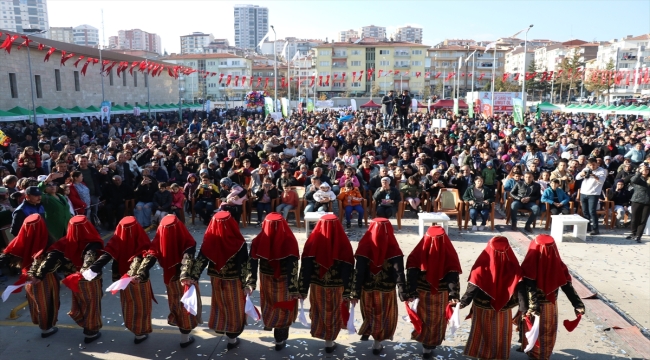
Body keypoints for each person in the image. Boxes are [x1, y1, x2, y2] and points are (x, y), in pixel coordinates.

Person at [180, 211, 249, 350]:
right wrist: (247, 283)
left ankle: (221, 327)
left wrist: (193, 277)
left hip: (216, 279)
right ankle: (232, 338)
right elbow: (244, 265)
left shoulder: (209, 241)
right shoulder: (239, 243)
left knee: (220, 304)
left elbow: (201, 261)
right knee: (234, 307)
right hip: (234, 280)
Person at [35, 216, 104, 343]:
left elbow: (50, 259)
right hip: (90, 279)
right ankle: (91, 331)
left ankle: (82, 319)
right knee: (92, 304)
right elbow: (90, 256)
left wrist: (39, 275)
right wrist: (85, 269)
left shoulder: (62, 243)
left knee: (80, 300)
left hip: (72, 279)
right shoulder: (93, 242)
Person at [86, 217, 155, 344]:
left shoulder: (116, 240)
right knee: (141, 305)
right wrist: (139, 275)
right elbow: (149, 256)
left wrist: (93, 269)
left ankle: (133, 328)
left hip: (122, 279)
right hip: (139, 280)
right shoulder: (142, 239)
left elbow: (107, 254)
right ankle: (139, 334)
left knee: (128, 303)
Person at [519, 234, 586, 359]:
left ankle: (539, 356)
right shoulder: (554, 264)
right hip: (540, 306)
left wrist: (577, 304)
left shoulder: (554, 265)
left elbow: (566, 285)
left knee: (543, 333)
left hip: (544, 306)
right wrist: (533, 305)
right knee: (539, 332)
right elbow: (527, 285)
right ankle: (536, 354)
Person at [459, 236, 523, 360]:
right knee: (501, 333)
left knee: (483, 332)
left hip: (482, 307)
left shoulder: (481, 265)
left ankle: (483, 355)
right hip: (503, 310)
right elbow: (520, 290)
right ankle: (499, 355)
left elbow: (473, 287)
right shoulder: (514, 266)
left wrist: (462, 303)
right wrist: (524, 308)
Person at [298, 214, 354, 353]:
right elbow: (348, 269)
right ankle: (330, 340)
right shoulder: (344, 243)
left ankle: (326, 338)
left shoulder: (312, 242)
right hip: (337, 287)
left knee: (320, 310)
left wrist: (302, 289)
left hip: (317, 285)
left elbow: (305, 268)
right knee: (335, 312)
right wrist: (349, 291)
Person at [351, 218, 407, 355]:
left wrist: (355, 292)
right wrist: (403, 293)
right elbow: (399, 273)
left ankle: (369, 332)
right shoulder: (393, 247)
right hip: (386, 290)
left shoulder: (364, 246)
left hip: (367, 289)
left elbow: (358, 272)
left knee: (370, 313)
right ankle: (377, 342)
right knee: (384, 316)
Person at [405, 226, 462, 358]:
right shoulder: (449, 252)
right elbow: (453, 276)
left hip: (425, 293)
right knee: (435, 320)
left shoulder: (418, 251)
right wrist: (453, 295)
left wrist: (411, 291)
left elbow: (411, 271)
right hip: (438, 294)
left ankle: (426, 345)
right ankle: (429, 345)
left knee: (427, 319)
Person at [0, 214, 59, 338]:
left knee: (36, 301)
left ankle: (42, 324)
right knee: (46, 302)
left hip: (28, 278)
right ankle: (46, 328)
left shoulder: (20, 240)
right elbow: (50, 262)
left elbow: (7, 255)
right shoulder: (49, 242)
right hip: (44, 278)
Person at [248, 213, 300, 351]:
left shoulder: (258, 240)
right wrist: (294, 288)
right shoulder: (290, 240)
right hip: (285, 280)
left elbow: (252, 262)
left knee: (270, 304)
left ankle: (271, 324)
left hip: (266, 278)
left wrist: (251, 282)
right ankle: (280, 338)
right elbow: (293, 267)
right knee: (283, 306)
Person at [149, 215, 202, 348]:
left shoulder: (159, 239)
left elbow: (152, 252)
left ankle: (183, 334)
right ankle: (185, 338)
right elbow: (188, 255)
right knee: (187, 307)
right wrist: (185, 275)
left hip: (170, 277)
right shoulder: (186, 240)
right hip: (186, 280)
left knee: (176, 303)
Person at [575, 158, 607, 235]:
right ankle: (587, 227)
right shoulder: (586, 169)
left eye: (594, 164)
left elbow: (602, 181)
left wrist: (593, 175)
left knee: (592, 211)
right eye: (590, 165)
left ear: (597, 164)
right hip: (583, 192)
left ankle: (596, 229)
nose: (592, 166)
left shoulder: (602, 171)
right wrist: (582, 174)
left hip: (594, 193)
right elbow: (577, 177)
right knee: (585, 211)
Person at [37, 173, 72, 240]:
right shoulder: (45, 197)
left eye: (53, 184)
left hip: (67, 226)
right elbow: (37, 191)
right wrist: (46, 181)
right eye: (49, 185)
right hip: (56, 230)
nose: (52, 186)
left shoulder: (61, 196)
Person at [627, 164, 650, 243]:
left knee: (643, 220)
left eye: (647, 169)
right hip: (636, 200)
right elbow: (633, 180)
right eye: (644, 169)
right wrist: (640, 172)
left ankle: (638, 236)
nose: (645, 171)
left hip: (648, 202)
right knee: (634, 219)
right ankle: (633, 233)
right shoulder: (637, 177)